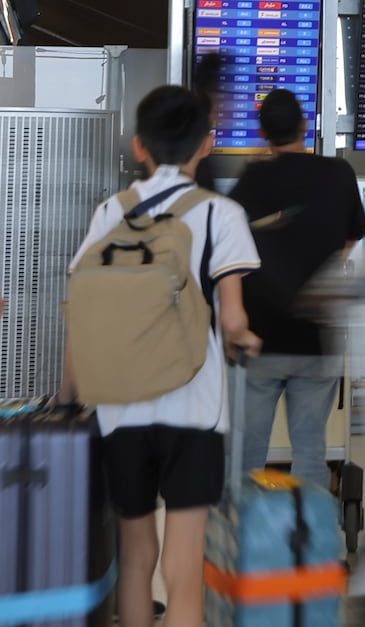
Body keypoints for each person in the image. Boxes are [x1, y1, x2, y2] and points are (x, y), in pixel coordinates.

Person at [57, 86, 262, 627]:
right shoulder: (221, 212)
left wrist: (68, 396)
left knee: (135, 546)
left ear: (139, 145)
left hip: (119, 404)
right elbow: (234, 318)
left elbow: (80, 308)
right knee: (183, 552)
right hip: (193, 403)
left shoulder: (110, 210)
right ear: (207, 144)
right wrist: (244, 340)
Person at [228, 89, 365, 488]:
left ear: (262, 132)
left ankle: (246, 540)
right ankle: (311, 542)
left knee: (249, 451)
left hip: (260, 338)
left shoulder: (251, 179)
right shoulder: (337, 173)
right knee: (310, 447)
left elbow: (230, 248)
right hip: (316, 334)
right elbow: (351, 236)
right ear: (304, 127)